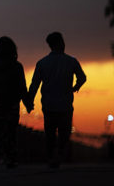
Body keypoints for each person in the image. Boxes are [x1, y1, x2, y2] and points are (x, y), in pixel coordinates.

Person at [28, 31, 87, 168]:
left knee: (50, 132)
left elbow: (34, 85)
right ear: (61, 43)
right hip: (65, 104)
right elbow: (82, 77)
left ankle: (50, 157)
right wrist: (75, 87)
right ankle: (59, 155)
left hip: (48, 104)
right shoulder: (71, 61)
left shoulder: (42, 63)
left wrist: (29, 101)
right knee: (64, 132)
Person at [0, 36, 32, 169]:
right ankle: (10, 158)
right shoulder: (17, 66)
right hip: (12, 104)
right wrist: (27, 102)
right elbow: (22, 87)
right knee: (10, 131)